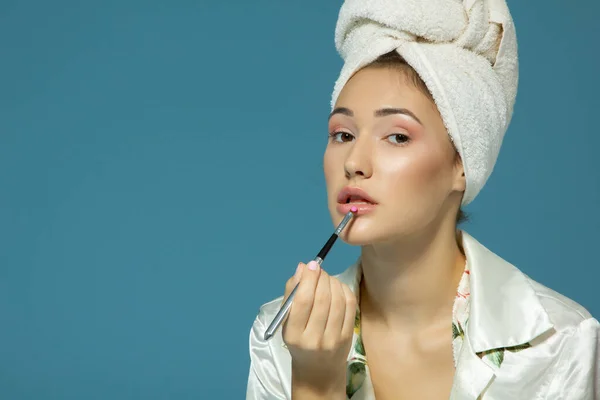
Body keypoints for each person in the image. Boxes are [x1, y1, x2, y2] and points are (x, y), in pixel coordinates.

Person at [246, 1, 599, 399]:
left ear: (462, 163)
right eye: (342, 135)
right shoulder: (283, 336)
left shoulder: (560, 342)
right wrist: (315, 382)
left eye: (397, 136)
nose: (355, 163)